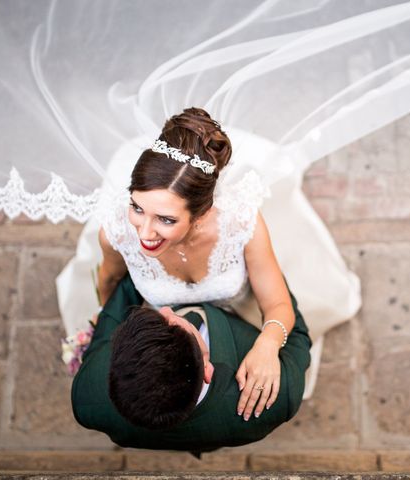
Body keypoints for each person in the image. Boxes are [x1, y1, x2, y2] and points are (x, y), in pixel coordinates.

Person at [96, 107, 299, 419]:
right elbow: (108, 283)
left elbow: (278, 305)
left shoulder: (242, 225)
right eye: (137, 207)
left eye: (165, 219)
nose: (145, 232)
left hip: (239, 321)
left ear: (201, 214)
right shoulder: (116, 235)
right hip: (170, 343)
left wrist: (268, 345)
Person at [71, 271, 311, 451]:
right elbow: (298, 334)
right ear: (207, 370)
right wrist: (265, 275)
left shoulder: (87, 398)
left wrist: (141, 271)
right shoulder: (281, 396)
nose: (164, 310)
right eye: (172, 323)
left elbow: (109, 320)